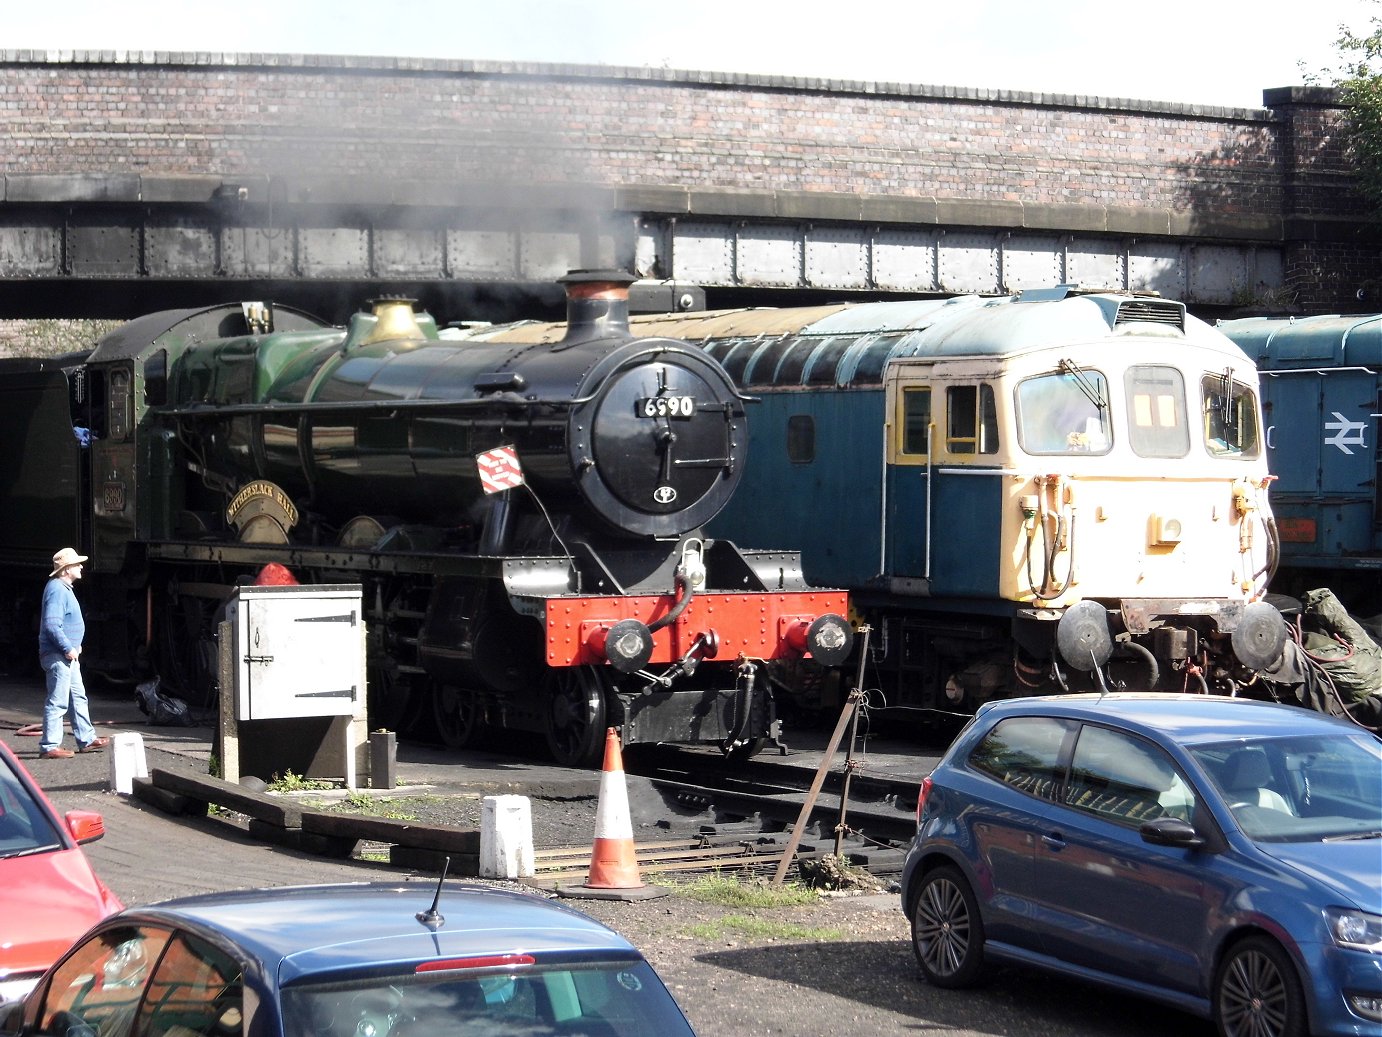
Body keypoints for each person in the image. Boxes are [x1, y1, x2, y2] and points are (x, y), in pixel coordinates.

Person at [38, 547, 109, 759]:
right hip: (59, 656)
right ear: (66, 569)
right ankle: (49, 746)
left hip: (67, 656)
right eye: (77, 564)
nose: (80, 567)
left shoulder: (62, 588)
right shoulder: (58, 590)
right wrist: (67, 647)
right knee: (58, 700)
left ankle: (86, 739)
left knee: (77, 697)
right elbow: (52, 624)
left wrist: (73, 646)